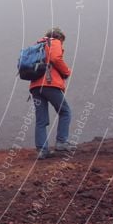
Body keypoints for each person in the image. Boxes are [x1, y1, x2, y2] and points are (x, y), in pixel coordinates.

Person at [30, 27, 72, 159]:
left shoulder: (37, 46)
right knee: (65, 111)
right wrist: (66, 72)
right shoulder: (54, 42)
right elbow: (55, 58)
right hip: (50, 84)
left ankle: (42, 150)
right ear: (59, 37)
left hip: (36, 86)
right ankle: (61, 142)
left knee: (41, 120)